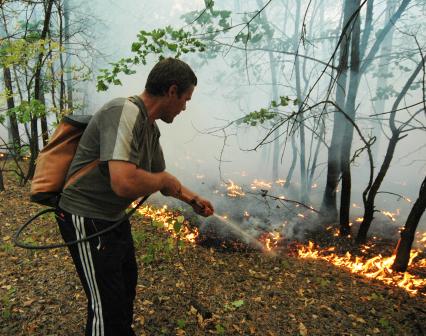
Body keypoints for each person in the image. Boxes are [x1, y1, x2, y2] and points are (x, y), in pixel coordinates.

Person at [55, 58, 214, 336]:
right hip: (87, 216)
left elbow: (162, 179)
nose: (185, 107)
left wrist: (193, 199)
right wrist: (162, 180)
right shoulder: (123, 111)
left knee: (125, 287)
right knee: (107, 305)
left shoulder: (149, 128)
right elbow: (124, 182)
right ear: (172, 91)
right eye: (185, 99)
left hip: (112, 218)